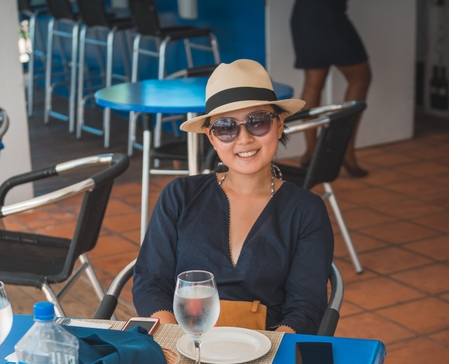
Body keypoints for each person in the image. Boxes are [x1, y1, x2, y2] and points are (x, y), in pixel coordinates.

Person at [132, 60, 334, 335]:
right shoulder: (179, 195)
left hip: (267, 347)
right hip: (183, 343)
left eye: (258, 122)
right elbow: (151, 283)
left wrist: (264, 359)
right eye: (226, 127)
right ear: (211, 137)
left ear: (279, 124)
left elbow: (306, 306)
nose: (243, 139)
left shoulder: (306, 210)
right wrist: (180, 347)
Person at [291, 0, 372, 177]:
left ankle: (312, 152)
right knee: (360, 78)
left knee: (313, 84)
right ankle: (346, 151)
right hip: (329, 15)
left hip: (304, 16)